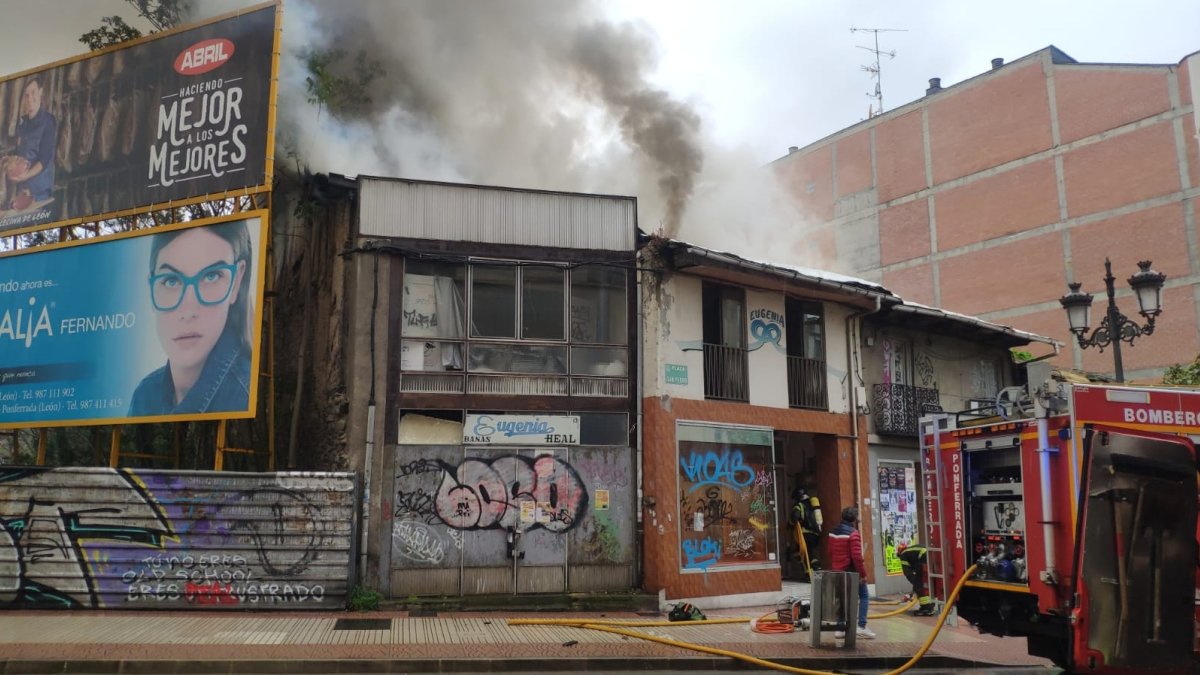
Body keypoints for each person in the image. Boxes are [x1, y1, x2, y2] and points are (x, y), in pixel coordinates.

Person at [128, 220, 254, 416]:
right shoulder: (144, 394)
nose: (188, 311)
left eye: (211, 276)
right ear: (151, 287)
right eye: (171, 281)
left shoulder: (244, 394)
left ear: (237, 281)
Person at [3, 76, 57, 210]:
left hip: (40, 192)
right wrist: (8, 162)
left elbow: (44, 159)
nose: (30, 98)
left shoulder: (48, 121)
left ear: (41, 91)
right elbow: (19, 154)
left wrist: (25, 175)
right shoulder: (23, 123)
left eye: (33, 92)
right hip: (22, 191)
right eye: (26, 95)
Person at [829, 505, 876, 639]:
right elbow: (856, 556)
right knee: (864, 595)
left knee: (841, 598)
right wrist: (863, 575)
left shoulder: (832, 532)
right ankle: (861, 626)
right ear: (854, 519)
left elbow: (830, 551)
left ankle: (840, 628)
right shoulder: (853, 533)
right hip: (851, 572)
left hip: (837, 571)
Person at [790, 486, 823, 576]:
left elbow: (794, 518)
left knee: (803, 554)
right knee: (810, 553)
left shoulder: (799, 505)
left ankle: (810, 574)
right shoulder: (812, 504)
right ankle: (815, 571)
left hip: (805, 534)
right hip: (816, 534)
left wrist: (789, 525)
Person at [897, 543, 936, 616]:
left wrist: (915, 584)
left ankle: (926, 608)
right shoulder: (910, 552)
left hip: (923, 558)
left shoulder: (903, 555)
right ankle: (930, 605)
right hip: (931, 556)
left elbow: (907, 573)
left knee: (919, 585)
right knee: (927, 582)